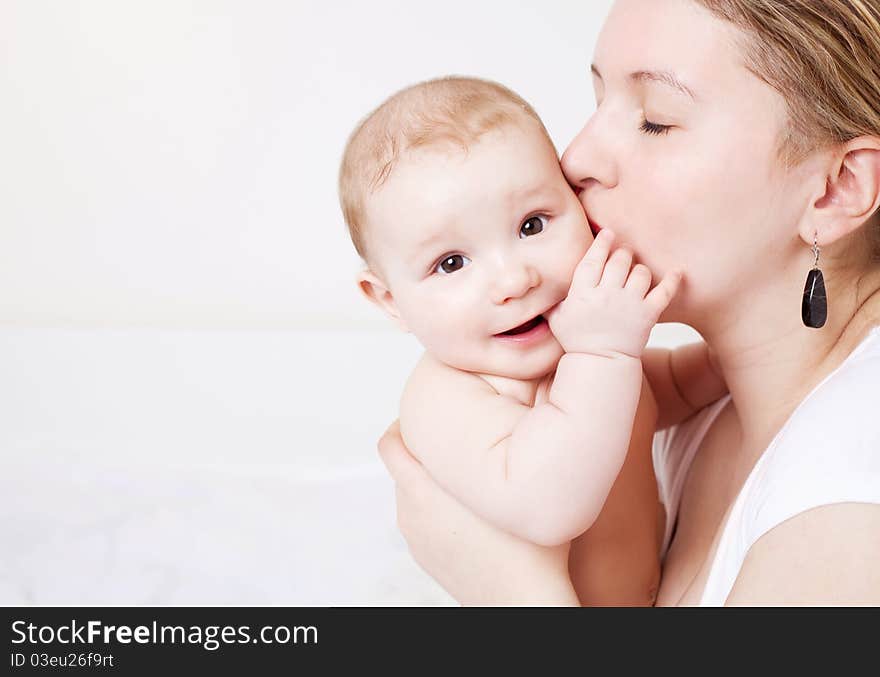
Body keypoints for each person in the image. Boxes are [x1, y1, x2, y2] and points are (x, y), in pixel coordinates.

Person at [376, 0, 880, 606]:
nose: (575, 160)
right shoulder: (720, 409)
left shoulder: (849, 502)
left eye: (656, 121)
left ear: (837, 187)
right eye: (597, 105)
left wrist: (510, 594)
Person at [339, 76, 727, 605]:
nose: (514, 280)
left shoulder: (588, 359)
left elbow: (664, 391)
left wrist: (729, 360)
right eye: (451, 263)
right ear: (388, 300)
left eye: (532, 225)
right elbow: (548, 505)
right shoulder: (449, 397)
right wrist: (604, 353)